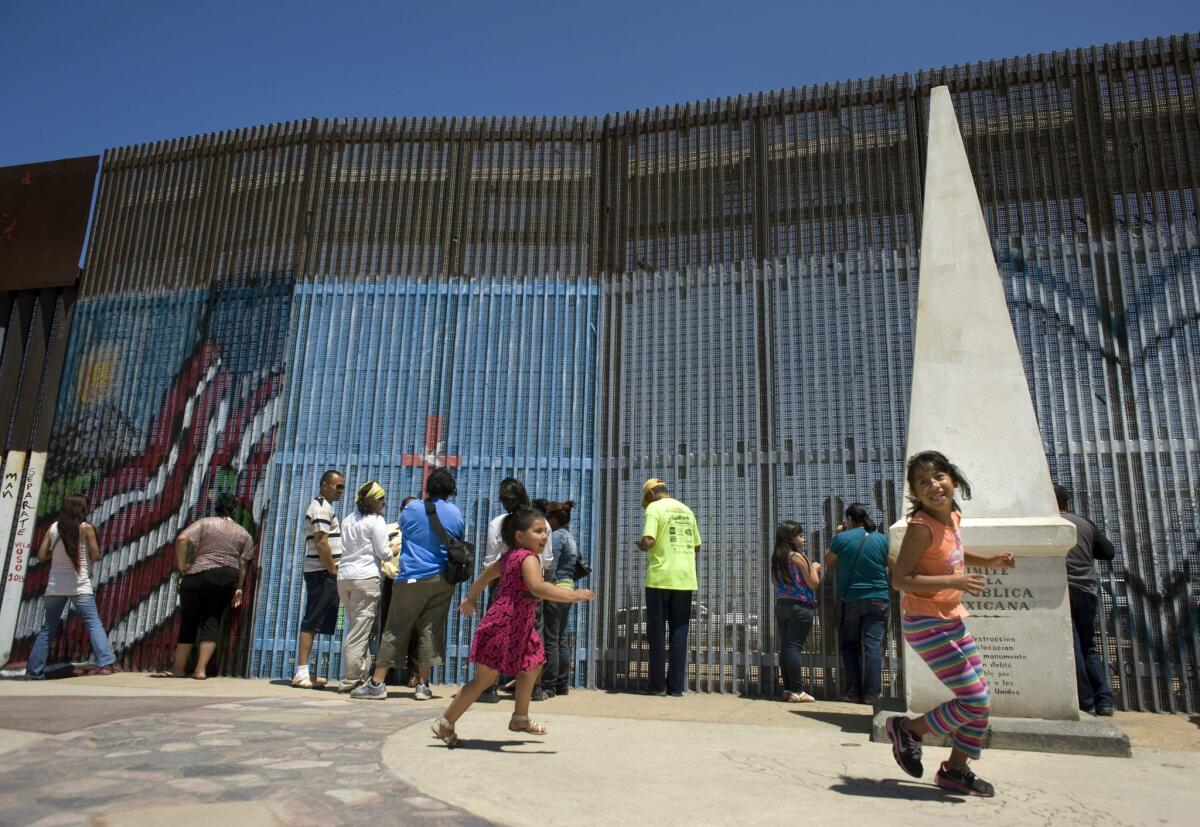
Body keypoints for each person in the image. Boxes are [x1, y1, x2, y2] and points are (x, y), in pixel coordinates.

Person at [886, 451, 1013, 797]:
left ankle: (956, 771)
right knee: (972, 700)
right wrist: (953, 582)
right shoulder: (920, 527)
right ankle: (908, 730)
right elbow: (901, 579)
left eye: (938, 477)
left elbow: (954, 551)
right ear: (915, 494)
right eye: (922, 482)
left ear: (953, 481)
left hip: (951, 618)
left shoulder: (953, 516)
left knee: (981, 700)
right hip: (925, 623)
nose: (933, 485)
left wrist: (989, 561)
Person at [431, 505, 594, 746]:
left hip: (520, 626)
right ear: (520, 536)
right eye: (538, 531)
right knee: (484, 680)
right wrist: (573, 595)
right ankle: (445, 722)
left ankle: (520, 717)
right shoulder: (528, 558)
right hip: (504, 626)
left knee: (533, 664)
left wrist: (471, 599)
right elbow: (537, 587)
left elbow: (485, 576)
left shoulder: (510, 557)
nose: (544, 536)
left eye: (545, 531)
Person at [353, 467, 464, 701]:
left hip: (412, 577)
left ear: (428, 487)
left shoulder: (412, 509)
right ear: (450, 490)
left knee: (396, 627)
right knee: (430, 630)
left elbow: (404, 531)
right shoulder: (455, 513)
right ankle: (423, 685)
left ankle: (377, 683)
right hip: (442, 579)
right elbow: (457, 538)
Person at [152, 493, 256, 679]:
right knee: (213, 619)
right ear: (234, 510)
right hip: (226, 578)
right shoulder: (244, 534)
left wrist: (183, 566)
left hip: (198, 575)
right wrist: (239, 588)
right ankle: (200, 670)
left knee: (189, 621)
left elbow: (182, 539)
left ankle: (178, 668)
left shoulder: (204, 523)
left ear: (216, 507)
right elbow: (243, 564)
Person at [478, 477, 553, 703]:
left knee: (498, 634)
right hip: (533, 584)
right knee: (532, 633)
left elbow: (490, 562)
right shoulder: (542, 524)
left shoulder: (498, 523)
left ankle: (489, 688)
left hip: (504, 584)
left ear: (503, 501)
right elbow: (547, 560)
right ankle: (534, 687)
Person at [26, 495, 117, 679]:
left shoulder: (53, 528)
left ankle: (34, 672)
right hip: (79, 584)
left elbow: (42, 555)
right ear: (82, 509)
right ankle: (105, 663)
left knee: (48, 628)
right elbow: (96, 554)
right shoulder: (85, 528)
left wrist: (58, 556)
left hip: (56, 584)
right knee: (93, 622)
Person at [1055, 484, 1116, 717]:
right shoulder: (1084, 523)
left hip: (1062, 592)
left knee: (1073, 646)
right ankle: (1104, 701)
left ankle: (1086, 701)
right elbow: (1108, 552)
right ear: (1067, 503)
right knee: (1088, 646)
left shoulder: (1049, 524)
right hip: (1087, 591)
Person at [638, 478, 700, 697]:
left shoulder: (654, 508)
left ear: (652, 494)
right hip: (685, 579)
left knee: (656, 633)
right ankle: (676, 688)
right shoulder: (687, 510)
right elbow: (697, 545)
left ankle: (656, 686)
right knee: (679, 633)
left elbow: (648, 540)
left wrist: (641, 544)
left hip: (660, 577)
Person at [825, 503, 891, 704]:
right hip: (878, 597)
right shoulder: (882, 539)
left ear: (850, 519)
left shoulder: (842, 538)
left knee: (849, 645)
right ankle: (872, 694)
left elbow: (828, 561)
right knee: (873, 646)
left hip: (851, 598)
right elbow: (890, 563)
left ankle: (854, 691)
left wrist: (837, 535)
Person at [336, 482, 394, 693]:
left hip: (345, 577)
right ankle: (351, 679)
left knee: (356, 626)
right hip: (366, 577)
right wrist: (393, 549)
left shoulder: (348, 520)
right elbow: (384, 553)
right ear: (374, 501)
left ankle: (361, 674)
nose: (384, 502)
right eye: (381, 499)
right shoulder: (376, 521)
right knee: (359, 631)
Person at [293, 470, 346, 689]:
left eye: (342, 487)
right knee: (313, 617)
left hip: (323, 571)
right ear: (325, 485)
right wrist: (332, 569)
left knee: (317, 618)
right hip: (321, 571)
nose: (341, 491)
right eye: (337, 486)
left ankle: (305, 671)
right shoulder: (320, 507)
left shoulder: (326, 507)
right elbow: (321, 541)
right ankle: (302, 672)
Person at [770, 521, 820, 702]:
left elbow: (776, 582)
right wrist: (815, 567)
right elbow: (813, 582)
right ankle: (798, 690)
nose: (803, 539)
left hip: (782, 604)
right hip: (800, 606)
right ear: (791, 539)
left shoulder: (777, 558)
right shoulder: (799, 557)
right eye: (800, 535)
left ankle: (788, 688)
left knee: (786, 646)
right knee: (794, 647)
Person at [541, 500, 582, 697]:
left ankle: (549, 685)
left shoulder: (556, 537)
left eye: (548, 517)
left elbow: (550, 566)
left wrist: (541, 588)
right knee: (561, 637)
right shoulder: (570, 536)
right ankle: (562, 684)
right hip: (568, 589)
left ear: (555, 519)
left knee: (551, 638)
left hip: (555, 589)